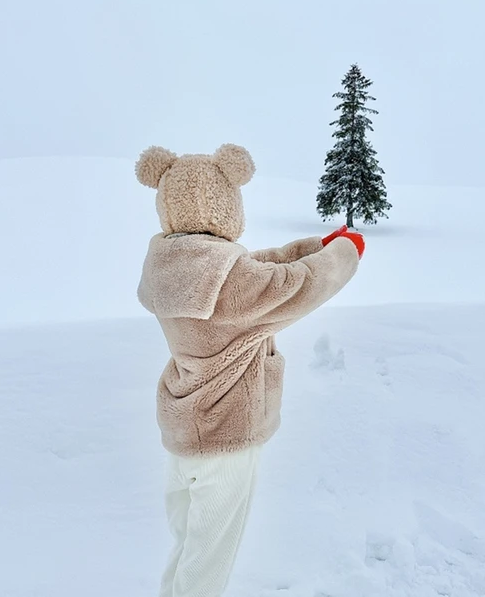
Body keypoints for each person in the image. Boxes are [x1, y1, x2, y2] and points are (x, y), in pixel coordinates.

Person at [135, 143, 364, 597]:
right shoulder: (232, 282)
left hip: (186, 435)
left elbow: (257, 266)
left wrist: (316, 245)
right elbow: (298, 286)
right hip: (226, 437)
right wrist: (343, 253)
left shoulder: (169, 267)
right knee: (207, 565)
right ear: (226, 203)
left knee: (187, 551)